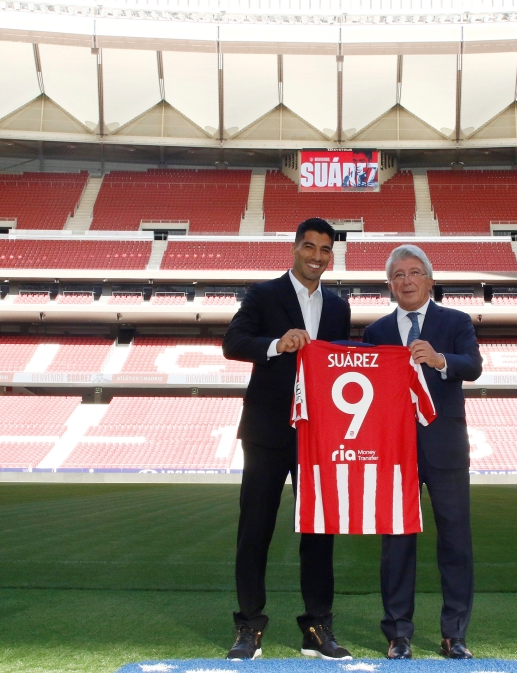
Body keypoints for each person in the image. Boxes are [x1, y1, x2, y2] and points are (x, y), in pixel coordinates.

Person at [221, 218, 353, 661]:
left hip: (319, 433)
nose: (317, 257)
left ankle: (317, 627)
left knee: (319, 531)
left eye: (325, 250)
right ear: (294, 248)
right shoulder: (263, 294)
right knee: (254, 529)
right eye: (310, 247)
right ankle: (248, 626)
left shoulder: (338, 306)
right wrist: (278, 343)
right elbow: (233, 342)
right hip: (267, 431)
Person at [362, 244, 483, 661]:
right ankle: (398, 634)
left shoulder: (456, 321)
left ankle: (455, 634)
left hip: (446, 448)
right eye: (398, 275)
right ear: (389, 285)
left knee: (455, 543)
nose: (407, 280)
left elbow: (472, 365)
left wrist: (438, 359)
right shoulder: (375, 333)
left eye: (415, 272)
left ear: (429, 280)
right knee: (396, 544)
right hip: (394, 452)